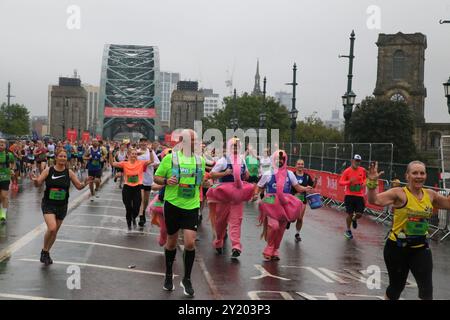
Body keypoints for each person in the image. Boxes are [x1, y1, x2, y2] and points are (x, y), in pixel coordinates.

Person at [366, 160, 450, 300]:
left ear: (426, 175)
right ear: (407, 176)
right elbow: (374, 200)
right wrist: (372, 183)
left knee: (426, 291)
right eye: (415, 173)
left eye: (422, 173)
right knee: (396, 288)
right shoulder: (399, 193)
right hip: (397, 249)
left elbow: (448, 204)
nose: (419, 176)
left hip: (420, 248)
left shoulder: (430, 195)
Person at [154, 129, 205, 297]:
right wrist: (166, 181)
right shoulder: (170, 158)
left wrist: (208, 182)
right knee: (171, 242)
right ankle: (168, 275)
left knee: (190, 243)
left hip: (191, 205)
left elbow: (201, 181)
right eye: (193, 140)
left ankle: (187, 279)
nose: (196, 143)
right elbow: (157, 178)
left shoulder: (200, 160)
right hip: (173, 204)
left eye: (196, 141)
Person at [31, 148, 90, 265]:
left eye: (64, 156)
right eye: (61, 156)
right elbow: (38, 184)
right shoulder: (48, 171)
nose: (63, 158)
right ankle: (44, 250)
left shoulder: (69, 173)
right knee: (52, 228)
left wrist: (85, 183)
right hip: (48, 204)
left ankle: (46, 252)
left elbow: (78, 186)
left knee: (54, 231)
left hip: (62, 206)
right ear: (56, 158)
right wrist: (35, 181)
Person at [253, 150, 312, 260]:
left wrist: (305, 188)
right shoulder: (268, 173)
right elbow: (259, 186)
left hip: (285, 204)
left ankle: (275, 250)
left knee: (281, 229)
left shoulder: (289, 174)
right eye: (277, 159)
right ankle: (269, 247)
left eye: (282, 159)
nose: (279, 161)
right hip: (271, 203)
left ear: (285, 160)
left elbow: (297, 187)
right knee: (274, 226)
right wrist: (256, 194)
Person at [208, 137, 253, 259]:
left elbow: (246, 175)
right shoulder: (224, 160)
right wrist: (225, 173)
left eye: (237, 146)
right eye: (233, 146)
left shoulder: (242, 160)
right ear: (229, 147)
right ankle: (218, 241)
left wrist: (246, 175)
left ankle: (236, 247)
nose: (235, 148)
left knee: (236, 221)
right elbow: (212, 174)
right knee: (221, 222)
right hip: (225, 195)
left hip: (237, 196)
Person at [110, 147, 155, 231]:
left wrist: (151, 151)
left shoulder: (141, 163)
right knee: (128, 207)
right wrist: (110, 153)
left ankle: (133, 217)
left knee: (137, 207)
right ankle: (129, 220)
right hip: (127, 188)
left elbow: (152, 161)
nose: (134, 155)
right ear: (128, 155)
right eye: (132, 154)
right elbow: (112, 163)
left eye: (135, 154)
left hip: (137, 187)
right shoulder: (124, 163)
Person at [338, 154, 367, 239]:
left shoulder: (362, 170)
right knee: (350, 214)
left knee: (359, 214)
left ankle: (355, 219)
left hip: (359, 196)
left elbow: (365, 179)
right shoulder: (347, 171)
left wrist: (364, 184)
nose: (357, 163)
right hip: (349, 195)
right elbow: (340, 182)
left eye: (358, 161)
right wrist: (349, 182)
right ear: (352, 161)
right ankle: (348, 230)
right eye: (355, 161)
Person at [291, 159, 317, 242]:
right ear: (296, 165)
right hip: (292, 199)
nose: (300, 166)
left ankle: (297, 233)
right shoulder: (292, 175)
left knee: (300, 218)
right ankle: (288, 221)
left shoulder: (306, 176)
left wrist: (315, 181)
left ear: (303, 166)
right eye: (298, 164)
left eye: (302, 164)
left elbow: (312, 187)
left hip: (302, 200)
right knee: (292, 218)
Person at [137, 138, 160, 227]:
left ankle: (142, 211)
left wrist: (149, 164)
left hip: (148, 179)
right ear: (139, 143)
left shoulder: (151, 152)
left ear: (147, 143)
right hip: (139, 179)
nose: (143, 144)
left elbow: (158, 163)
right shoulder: (137, 152)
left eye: (144, 142)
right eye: (141, 142)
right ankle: (141, 217)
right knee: (142, 199)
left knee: (146, 200)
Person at [0, 139, 15, 223]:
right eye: (0, 143)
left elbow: (13, 162)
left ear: (6, 145)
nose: (1, 144)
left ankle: (3, 214)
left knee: (4, 196)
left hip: (5, 177)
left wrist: (12, 169)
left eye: (3, 143)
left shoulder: (9, 155)